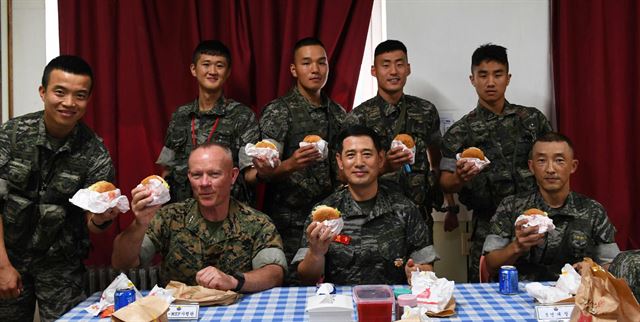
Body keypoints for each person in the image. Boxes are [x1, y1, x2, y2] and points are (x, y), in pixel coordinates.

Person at [0, 55, 120, 321]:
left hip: (61, 267)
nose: (69, 103)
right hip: (8, 256)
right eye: (60, 92)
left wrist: (102, 218)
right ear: (43, 92)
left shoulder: (95, 153)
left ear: (88, 100)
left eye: (80, 95)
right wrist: (2, 265)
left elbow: (94, 221)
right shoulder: (11, 134)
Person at [440, 43, 551, 282]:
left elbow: (551, 162)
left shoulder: (532, 120)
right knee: (485, 294)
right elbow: (445, 183)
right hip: (487, 225)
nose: (490, 82)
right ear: (472, 79)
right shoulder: (460, 131)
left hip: (535, 221)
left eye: (497, 74)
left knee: (543, 290)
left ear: (507, 78)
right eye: (483, 75)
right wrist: (461, 176)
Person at [112, 143, 286, 292]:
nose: (204, 183)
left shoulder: (256, 222)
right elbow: (122, 263)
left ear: (233, 176)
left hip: (233, 311)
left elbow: (274, 273)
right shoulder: (169, 217)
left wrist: (234, 281)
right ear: (189, 177)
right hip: (180, 313)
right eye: (197, 175)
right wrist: (139, 224)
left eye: (214, 174)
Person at [294, 126, 437, 285]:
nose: (359, 163)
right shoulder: (323, 214)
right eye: (350, 155)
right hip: (341, 305)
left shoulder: (405, 209)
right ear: (340, 161)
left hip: (391, 304)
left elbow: (426, 265)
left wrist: (417, 272)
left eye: (367, 154)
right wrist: (315, 254)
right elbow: (307, 278)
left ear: (381, 159)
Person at [347, 40, 454, 240]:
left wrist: (451, 206)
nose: (393, 71)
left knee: (423, 270)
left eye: (399, 64)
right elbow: (345, 174)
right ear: (374, 70)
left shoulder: (425, 110)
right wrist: (385, 166)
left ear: (408, 68)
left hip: (420, 217)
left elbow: (438, 160)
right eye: (385, 65)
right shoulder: (358, 117)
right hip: (376, 220)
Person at [256, 37, 347, 263]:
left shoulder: (339, 113)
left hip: (331, 218)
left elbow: (342, 169)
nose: (315, 69)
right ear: (294, 70)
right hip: (289, 222)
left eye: (321, 62)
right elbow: (263, 173)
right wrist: (292, 164)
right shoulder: (279, 111)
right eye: (306, 63)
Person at [483, 132, 619, 281]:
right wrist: (516, 247)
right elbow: (490, 265)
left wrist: (592, 269)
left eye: (559, 160)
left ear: (573, 166)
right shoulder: (511, 206)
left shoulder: (593, 211)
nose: (550, 169)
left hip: (575, 298)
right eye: (541, 160)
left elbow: (612, 265)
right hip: (521, 296)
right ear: (531, 166)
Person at [156, 40, 260, 205]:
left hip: (227, 213)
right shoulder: (180, 115)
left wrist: (267, 171)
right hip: (182, 213)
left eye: (219, 66)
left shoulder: (242, 116)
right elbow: (167, 169)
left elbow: (250, 174)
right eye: (206, 64)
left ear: (228, 72)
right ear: (193, 69)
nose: (212, 71)